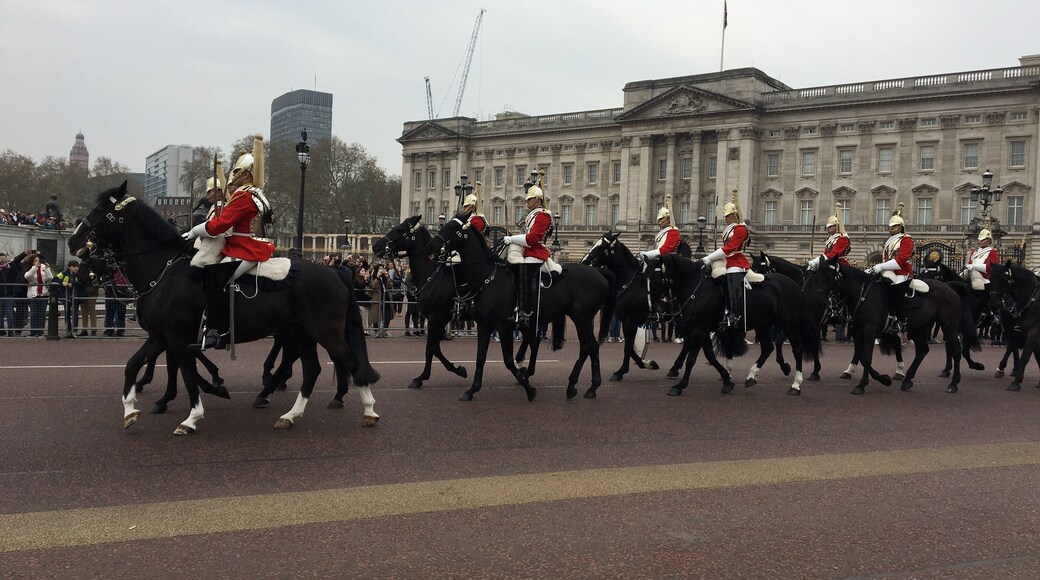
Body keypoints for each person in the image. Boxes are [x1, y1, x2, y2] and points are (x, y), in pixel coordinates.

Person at [182, 136, 275, 350]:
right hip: (250, 245)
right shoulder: (258, 195)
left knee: (217, 280)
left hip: (246, 249)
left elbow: (218, 226)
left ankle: (218, 330)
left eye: (237, 173)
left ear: (246, 174)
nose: (233, 179)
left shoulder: (244, 196)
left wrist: (194, 231)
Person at [503, 182, 551, 325]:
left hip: (535, 253)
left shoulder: (542, 216)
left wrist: (511, 239)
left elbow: (532, 239)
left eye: (530, 199)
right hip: (528, 251)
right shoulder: (532, 216)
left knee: (524, 273)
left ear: (538, 200)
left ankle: (524, 311)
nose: (527, 202)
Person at [701, 193, 750, 328]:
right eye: (725, 216)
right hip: (727, 259)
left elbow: (730, 248)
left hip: (737, 261)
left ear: (735, 215)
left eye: (728, 216)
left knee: (731, 278)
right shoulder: (731, 229)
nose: (725, 218)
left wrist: (709, 257)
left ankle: (734, 314)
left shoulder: (740, 229)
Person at [868, 209, 915, 334]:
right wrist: (877, 268)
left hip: (902, 272)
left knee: (897, 289)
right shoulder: (890, 240)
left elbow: (901, 259)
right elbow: (886, 258)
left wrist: (882, 266)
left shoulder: (906, 240)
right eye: (890, 227)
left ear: (901, 227)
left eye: (894, 226)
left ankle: (900, 320)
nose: (891, 229)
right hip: (890, 270)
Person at [807, 204, 851, 270]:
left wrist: (816, 261)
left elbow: (833, 255)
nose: (827, 228)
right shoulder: (830, 239)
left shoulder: (842, 239)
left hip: (840, 265)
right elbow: (826, 254)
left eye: (830, 226)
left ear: (836, 226)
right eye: (827, 227)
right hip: (830, 264)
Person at [24, 253, 53, 337]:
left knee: (41, 313)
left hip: (43, 293)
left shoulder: (43, 268)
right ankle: (33, 331)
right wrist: (34, 268)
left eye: (38, 260)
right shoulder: (30, 269)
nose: (37, 262)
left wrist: (47, 269)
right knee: (34, 313)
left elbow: (49, 278)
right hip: (33, 293)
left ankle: (40, 331)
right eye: (35, 260)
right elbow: (28, 277)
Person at [55, 259, 85, 338]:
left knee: (75, 313)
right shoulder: (64, 273)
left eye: (77, 266)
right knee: (67, 313)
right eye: (74, 266)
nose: (76, 268)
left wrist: (73, 283)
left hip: (76, 296)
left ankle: (74, 330)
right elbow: (55, 279)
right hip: (66, 296)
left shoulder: (79, 274)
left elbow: (82, 282)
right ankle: (68, 330)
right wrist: (62, 283)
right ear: (69, 267)